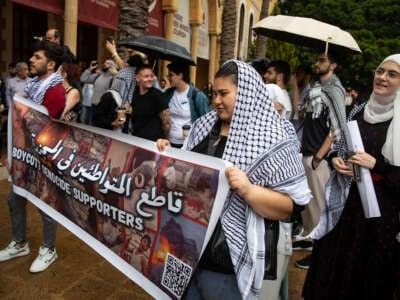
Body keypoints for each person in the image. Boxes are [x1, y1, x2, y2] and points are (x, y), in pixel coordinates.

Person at [157, 60, 311, 299]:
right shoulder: (204, 126)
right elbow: (183, 172)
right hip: (186, 247)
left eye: (224, 93)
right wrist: (167, 154)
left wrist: (249, 191)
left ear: (247, 93)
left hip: (225, 262)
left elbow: (292, 205)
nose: (216, 100)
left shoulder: (274, 137)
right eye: (214, 93)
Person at [302, 54, 400, 300]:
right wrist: (335, 159)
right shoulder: (358, 111)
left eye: (392, 74)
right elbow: (341, 145)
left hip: (380, 218)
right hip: (345, 207)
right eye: (380, 71)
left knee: (367, 279)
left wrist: (376, 165)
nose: (382, 77)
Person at [0, 40, 66, 272]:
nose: (31, 60)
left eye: (37, 57)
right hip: (23, 153)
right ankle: (20, 243)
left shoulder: (55, 91)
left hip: (42, 158)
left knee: (45, 203)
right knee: (14, 198)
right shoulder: (33, 86)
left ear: (50, 64)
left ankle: (49, 249)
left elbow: (44, 127)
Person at [294, 51, 347, 269]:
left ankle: (319, 256)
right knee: (308, 205)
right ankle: (309, 241)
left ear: (333, 65)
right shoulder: (316, 88)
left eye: (322, 60)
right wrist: (296, 85)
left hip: (318, 158)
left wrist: (318, 157)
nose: (317, 63)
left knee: (318, 208)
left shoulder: (334, 90)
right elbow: (299, 112)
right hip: (306, 152)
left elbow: (337, 129)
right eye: (317, 60)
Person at [164, 62, 210, 148]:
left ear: (180, 75)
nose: (168, 78)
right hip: (169, 143)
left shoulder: (197, 96)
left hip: (188, 145)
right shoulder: (168, 93)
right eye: (168, 75)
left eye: (171, 75)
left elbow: (207, 122)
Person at [94, 54, 144, 132]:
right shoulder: (109, 96)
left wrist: (134, 112)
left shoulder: (138, 97)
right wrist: (113, 123)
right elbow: (98, 119)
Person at [131, 64, 170, 141]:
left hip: (153, 142)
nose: (150, 79)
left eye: (151, 76)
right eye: (146, 76)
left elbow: (167, 123)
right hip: (136, 139)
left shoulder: (157, 95)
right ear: (138, 78)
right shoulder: (134, 94)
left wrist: (165, 139)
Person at [80, 59, 117, 124]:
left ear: (112, 66)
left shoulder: (113, 79)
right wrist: (90, 69)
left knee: (101, 127)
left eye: (108, 63)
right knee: (92, 125)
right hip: (94, 105)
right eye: (105, 62)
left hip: (104, 108)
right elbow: (83, 79)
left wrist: (116, 74)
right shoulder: (97, 76)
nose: (105, 64)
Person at [289, 64, 312, 141]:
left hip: (299, 138)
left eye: (298, 74)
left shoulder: (311, 94)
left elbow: (298, 113)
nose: (295, 77)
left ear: (308, 77)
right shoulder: (291, 93)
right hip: (287, 136)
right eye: (294, 73)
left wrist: (295, 87)